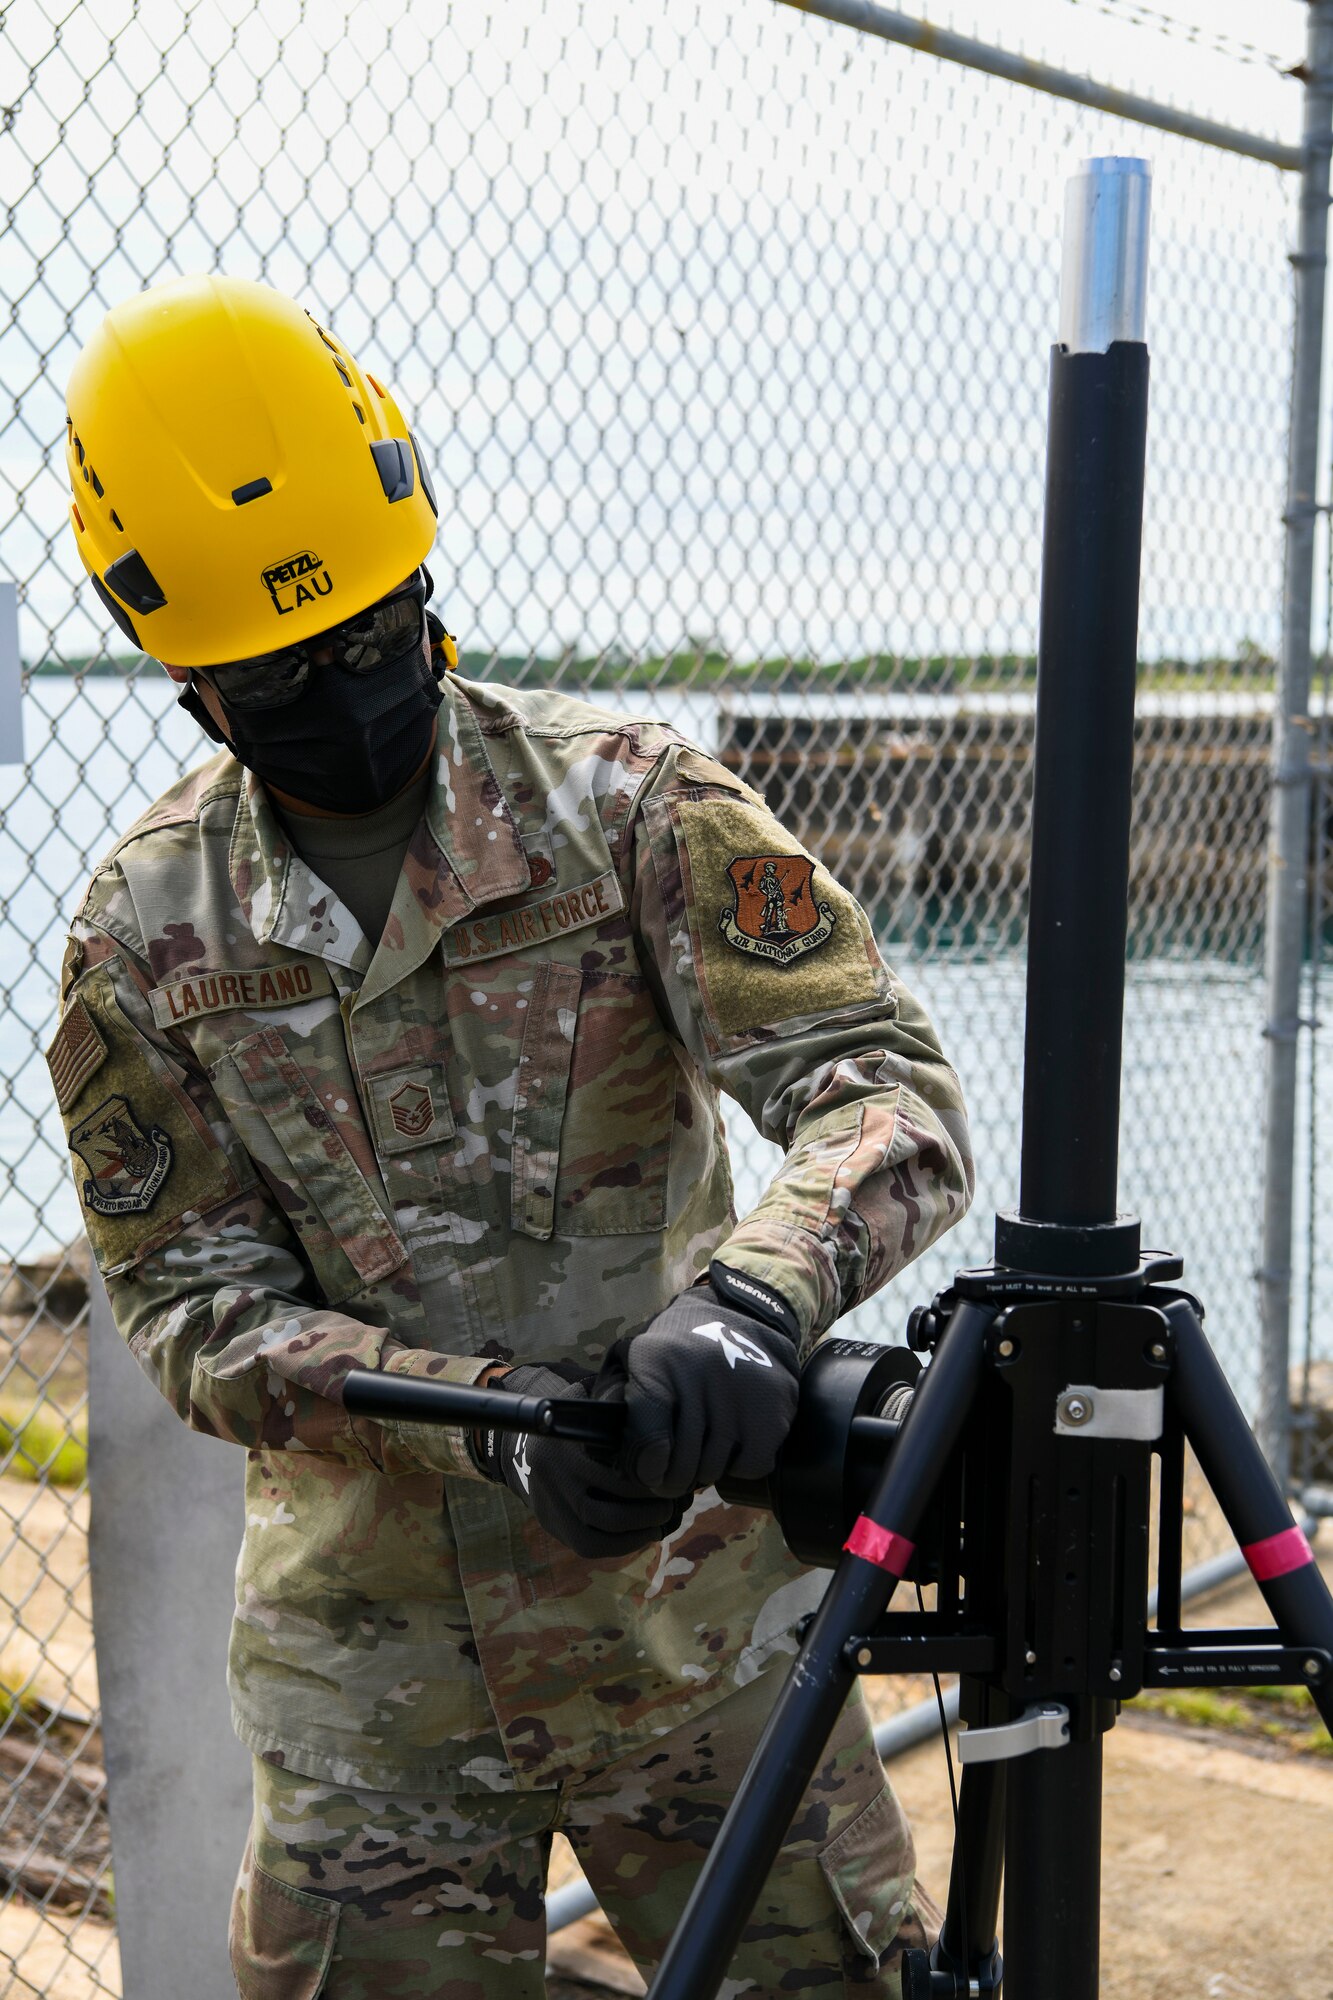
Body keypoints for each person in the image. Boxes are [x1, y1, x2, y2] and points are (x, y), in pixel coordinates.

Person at [48, 273, 974, 1998]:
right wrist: (493, 1427)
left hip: (699, 1636)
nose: (341, 690)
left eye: (370, 638)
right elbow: (193, 1304)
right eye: (280, 673)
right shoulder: (146, 940)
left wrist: (753, 1303)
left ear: (419, 578)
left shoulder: (630, 808)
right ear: (186, 678)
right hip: (372, 1686)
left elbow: (882, 1093)